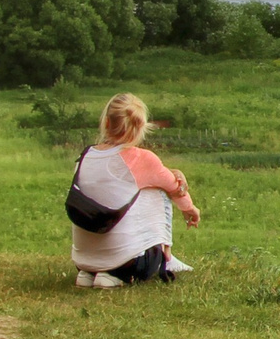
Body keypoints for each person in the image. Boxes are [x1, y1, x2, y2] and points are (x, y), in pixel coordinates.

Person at [69, 93, 200, 288]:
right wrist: (189, 208)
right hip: (125, 263)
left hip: (83, 260)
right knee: (158, 190)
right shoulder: (141, 158)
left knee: (125, 191)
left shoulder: (85, 157)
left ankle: (91, 272)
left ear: (106, 122)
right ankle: (162, 259)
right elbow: (175, 187)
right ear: (141, 128)